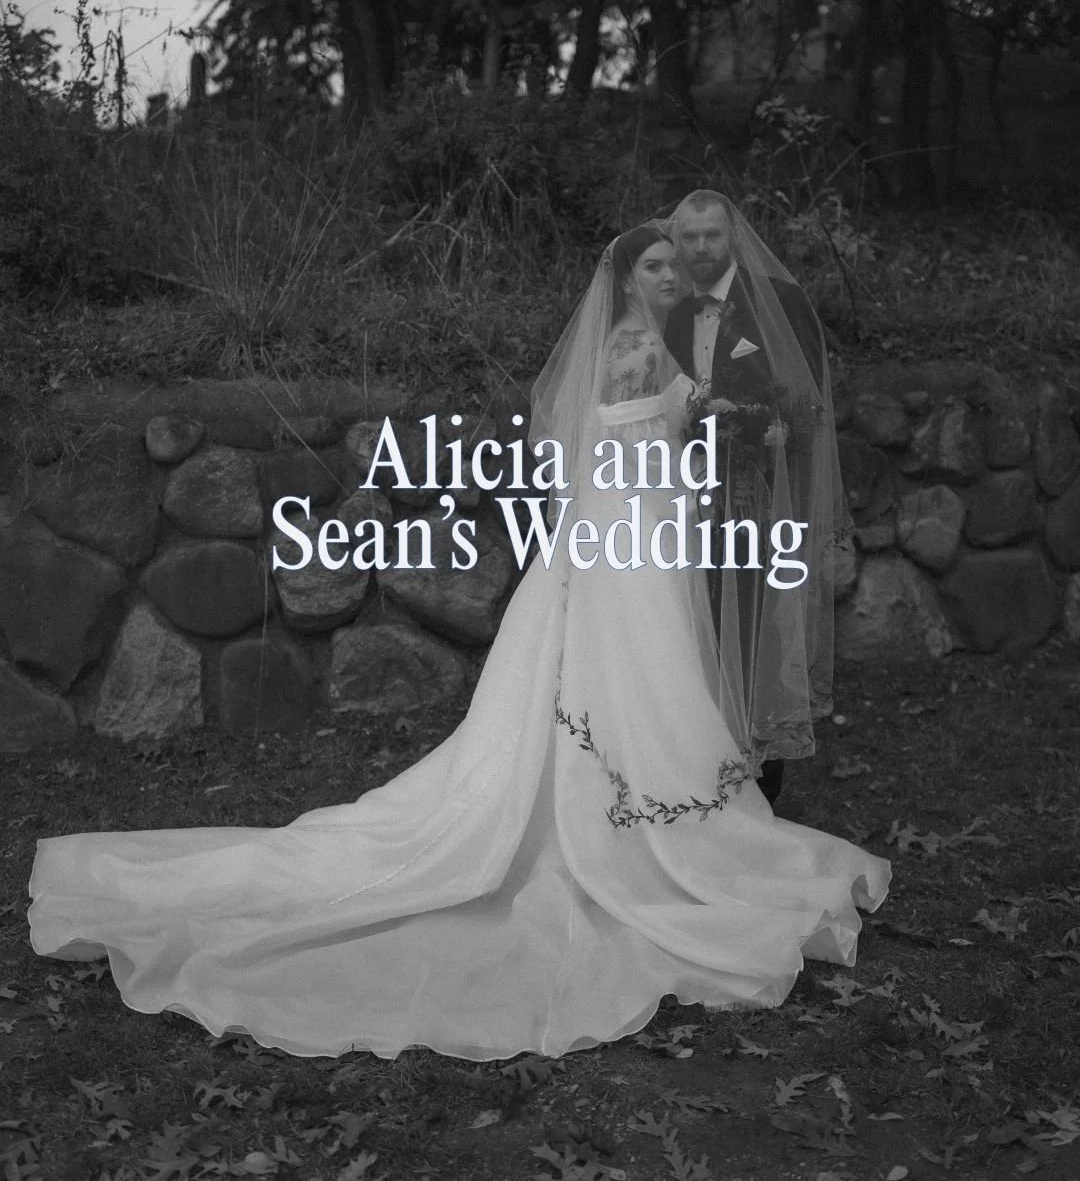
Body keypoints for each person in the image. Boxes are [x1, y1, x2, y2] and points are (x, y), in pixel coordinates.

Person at [26, 221, 888, 1063]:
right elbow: (633, 424)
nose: (670, 276)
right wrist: (703, 407)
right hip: (626, 530)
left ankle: (652, 801)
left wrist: (711, 416)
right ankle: (639, 825)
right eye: (656, 266)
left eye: (674, 265)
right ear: (628, 281)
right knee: (630, 664)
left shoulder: (644, 340)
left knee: (642, 670)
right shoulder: (636, 344)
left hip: (634, 523)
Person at [661, 190, 848, 808]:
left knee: (760, 628)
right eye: (689, 237)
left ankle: (763, 784)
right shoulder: (673, 313)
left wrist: (752, 429)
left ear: (732, 237)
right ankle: (703, 774)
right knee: (699, 630)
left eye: (711, 235)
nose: (700, 248)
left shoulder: (780, 302)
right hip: (686, 500)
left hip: (761, 497)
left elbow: (808, 407)